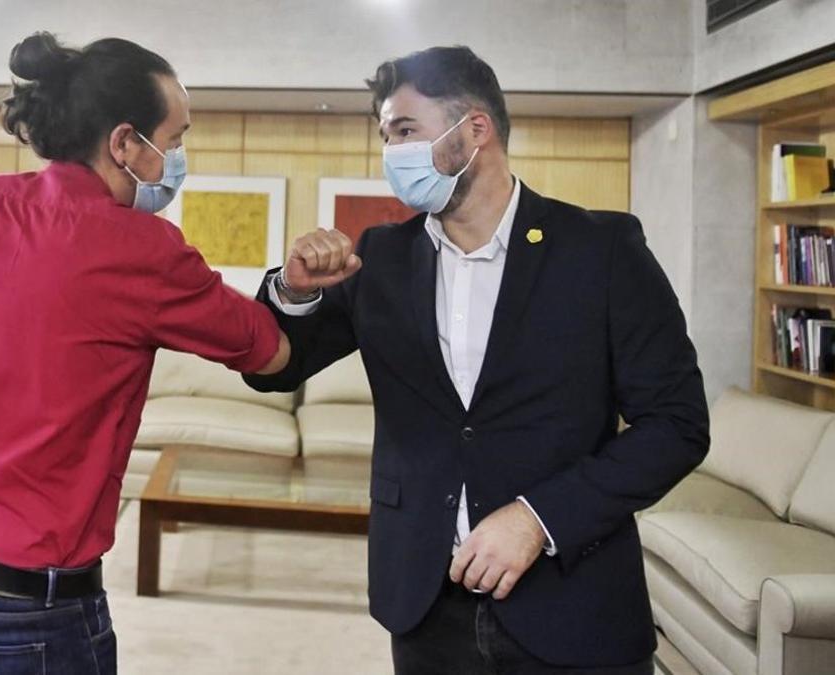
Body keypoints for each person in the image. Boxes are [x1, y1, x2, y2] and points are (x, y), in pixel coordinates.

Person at [0, 32, 290, 675]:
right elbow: (269, 350)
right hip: (25, 613)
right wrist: (298, 286)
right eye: (176, 140)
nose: (177, 159)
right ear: (126, 144)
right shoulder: (143, 250)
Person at [244, 46, 709, 674]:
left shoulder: (601, 249)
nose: (392, 152)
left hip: (574, 600)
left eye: (406, 130)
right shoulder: (379, 258)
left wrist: (539, 520)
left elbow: (676, 425)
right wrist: (293, 292)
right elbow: (273, 367)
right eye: (386, 136)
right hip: (425, 603)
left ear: (476, 130)